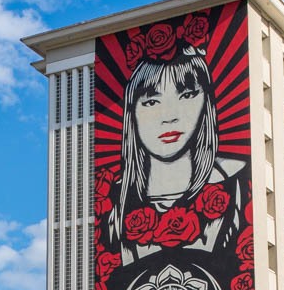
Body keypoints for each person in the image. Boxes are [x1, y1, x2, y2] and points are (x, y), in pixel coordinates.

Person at [105, 29, 245, 266]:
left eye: (187, 95)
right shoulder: (114, 197)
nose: (169, 117)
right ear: (132, 113)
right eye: (151, 101)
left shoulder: (235, 180)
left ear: (206, 103)